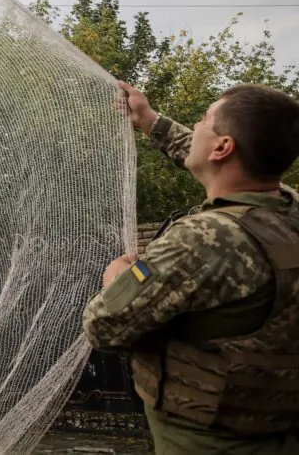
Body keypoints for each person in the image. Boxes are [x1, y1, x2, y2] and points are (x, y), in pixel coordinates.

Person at [82, 82, 299, 454]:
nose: (196, 126)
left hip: (206, 443)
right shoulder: (289, 207)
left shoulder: (203, 238)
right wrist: (150, 121)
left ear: (222, 147)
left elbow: (104, 325)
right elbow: (216, 161)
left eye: (203, 120)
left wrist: (115, 277)